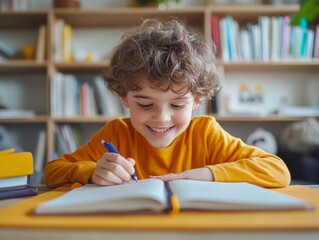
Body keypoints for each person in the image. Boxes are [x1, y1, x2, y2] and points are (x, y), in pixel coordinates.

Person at [44, 19, 290, 188]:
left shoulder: (206, 133)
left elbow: (277, 170)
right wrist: (90, 172)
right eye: (146, 104)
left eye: (177, 105)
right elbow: (53, 170)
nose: (161, 118)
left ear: (197, 100)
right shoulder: (117, 133)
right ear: (124, 98)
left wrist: (206, 175)